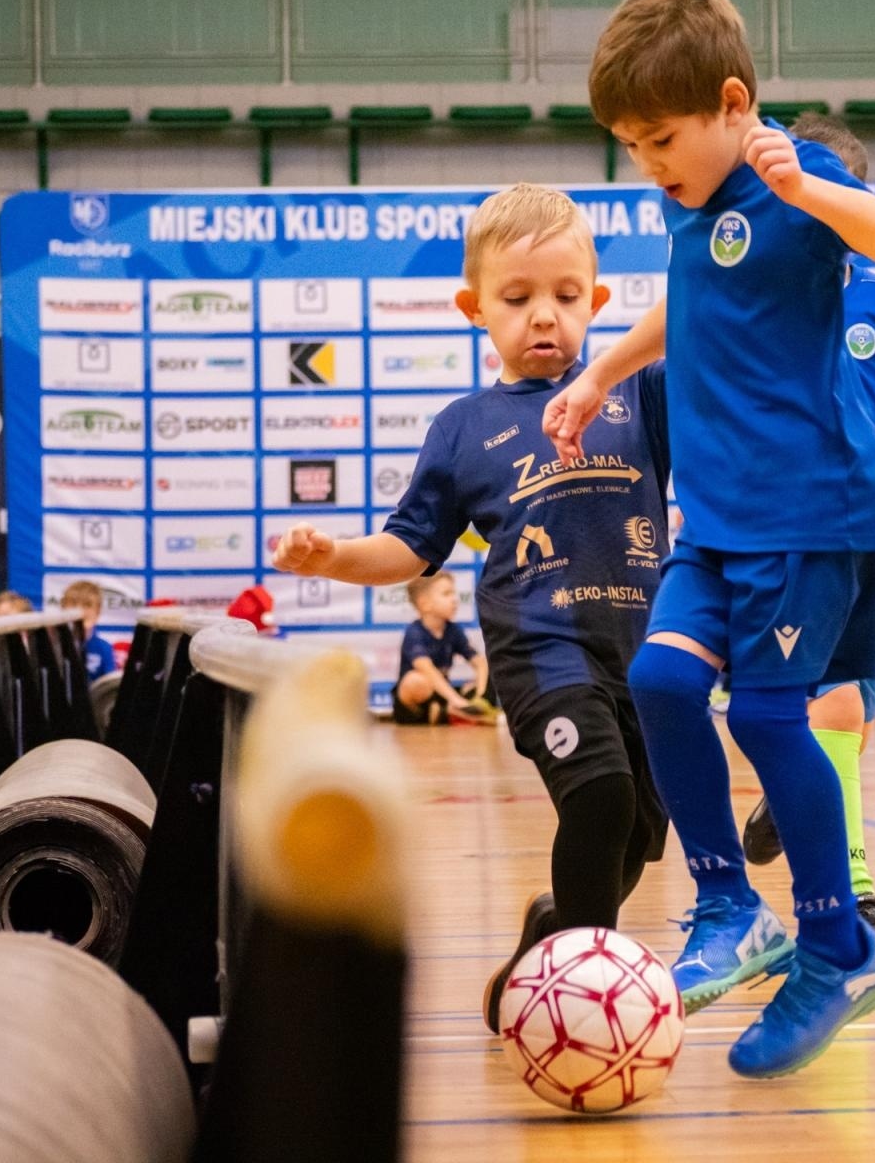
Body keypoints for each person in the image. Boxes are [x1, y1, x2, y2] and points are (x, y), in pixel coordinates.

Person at [544, 0, 875, 1079]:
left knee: (764, 716)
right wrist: (602, 367)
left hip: (811, 514)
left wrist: (812, 191)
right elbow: (690, 301)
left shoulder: (781, 175)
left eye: (659, 138)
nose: (647, 163)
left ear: (735, 104)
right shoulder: (689, 202)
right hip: (718, 519)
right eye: (632, 145)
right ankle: (728, 908)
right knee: (659, 683)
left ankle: (839, 947)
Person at [271, 183, 672, 1036]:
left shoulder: (642, 395)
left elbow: (715, 344)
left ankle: (554, 929)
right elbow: (409, 551)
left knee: (638, 833)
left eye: (567, 298)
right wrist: (333, 556)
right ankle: (584, 1005)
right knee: (599, 798)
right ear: (475, 308)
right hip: (542, 649)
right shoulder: (464, 427)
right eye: (518, 298)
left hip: (644, 653)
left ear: (599, 302)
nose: (544, 318)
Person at [740, 112, 875, 956]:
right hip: (785, 538)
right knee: (828, 709)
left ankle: (786, 807)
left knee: (848, 724)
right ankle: (853, 898)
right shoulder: (763, 301)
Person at [392, 572, 494, 726]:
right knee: (415, 681)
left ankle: (445, 712)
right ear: (424, 603)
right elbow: (427, 670)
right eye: (447, 594)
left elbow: (479, 662)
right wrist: (458, 701)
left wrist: (480, 694)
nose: (454, 599)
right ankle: (450, 711)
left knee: (490, 675)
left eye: (454, 593)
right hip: (418, 701)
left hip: (441, 695)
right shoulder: (414, 632)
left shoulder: (453, 630)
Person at [59, 579, 116, 681]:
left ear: (98, 612)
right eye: (73, 604)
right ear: (63, 608)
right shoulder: (55, 646)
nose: (81, 611)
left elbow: (108, 689)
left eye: (87, 605)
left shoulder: (104, 648)